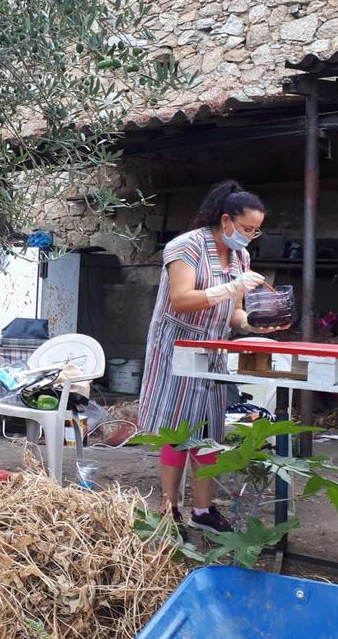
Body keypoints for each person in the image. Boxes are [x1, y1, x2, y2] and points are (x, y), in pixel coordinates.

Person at [137, 180, 284, 534]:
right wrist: (231, 287)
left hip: (214, 348)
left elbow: (234, 313)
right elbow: (182, 299)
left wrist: (253, 323)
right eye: (247, 228)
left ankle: (203, 509)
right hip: (176, 347)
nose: (250, 236)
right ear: (225, 220)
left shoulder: (240, 256)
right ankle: (168, 508)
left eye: (256, 231)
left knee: (209, 428)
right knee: (176, 428)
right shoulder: (185, 247)